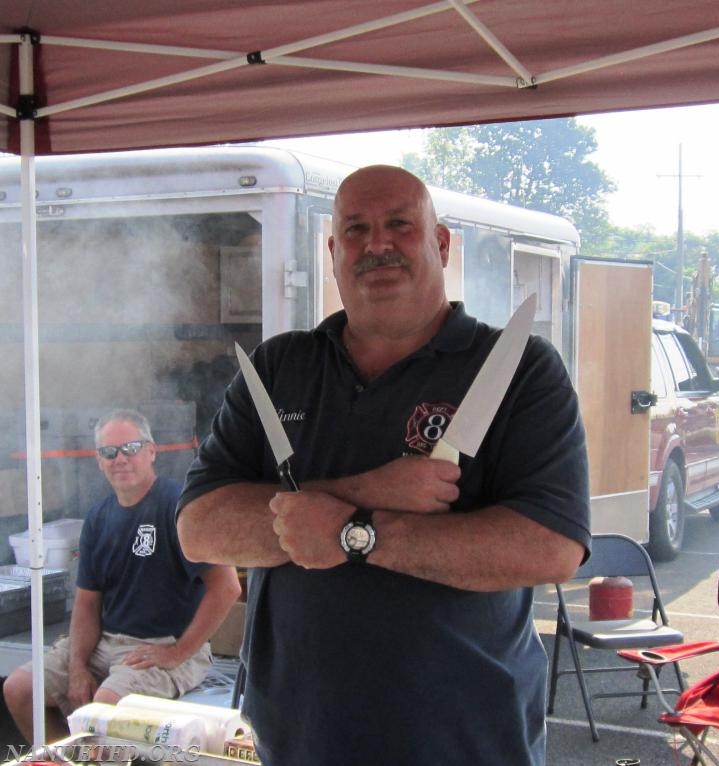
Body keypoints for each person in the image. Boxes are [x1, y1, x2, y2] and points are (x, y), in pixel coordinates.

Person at [177, 165, 591, 766]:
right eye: (356, 229)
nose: (377, 244)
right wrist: (368, 491)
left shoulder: (520, 368)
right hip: (297, 738)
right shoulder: (277, 368)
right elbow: (200, 529)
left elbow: (550, 548)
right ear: (333, 250)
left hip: (468, 738)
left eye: (400, 224)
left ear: (441, 244)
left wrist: (357, 534)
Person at [3, 409, 241, 743]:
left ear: (151, 451)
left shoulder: (178, 506)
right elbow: (86, 604)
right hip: (106, 641)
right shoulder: (98, 517)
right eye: (109, 452)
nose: (120, 459)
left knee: (103, 711)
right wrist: (78, 667)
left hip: (164, 644)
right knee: (19, 689)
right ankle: (65, 760)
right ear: (98, 461)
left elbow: (227, 587)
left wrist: (179, 651)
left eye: (130, 447)